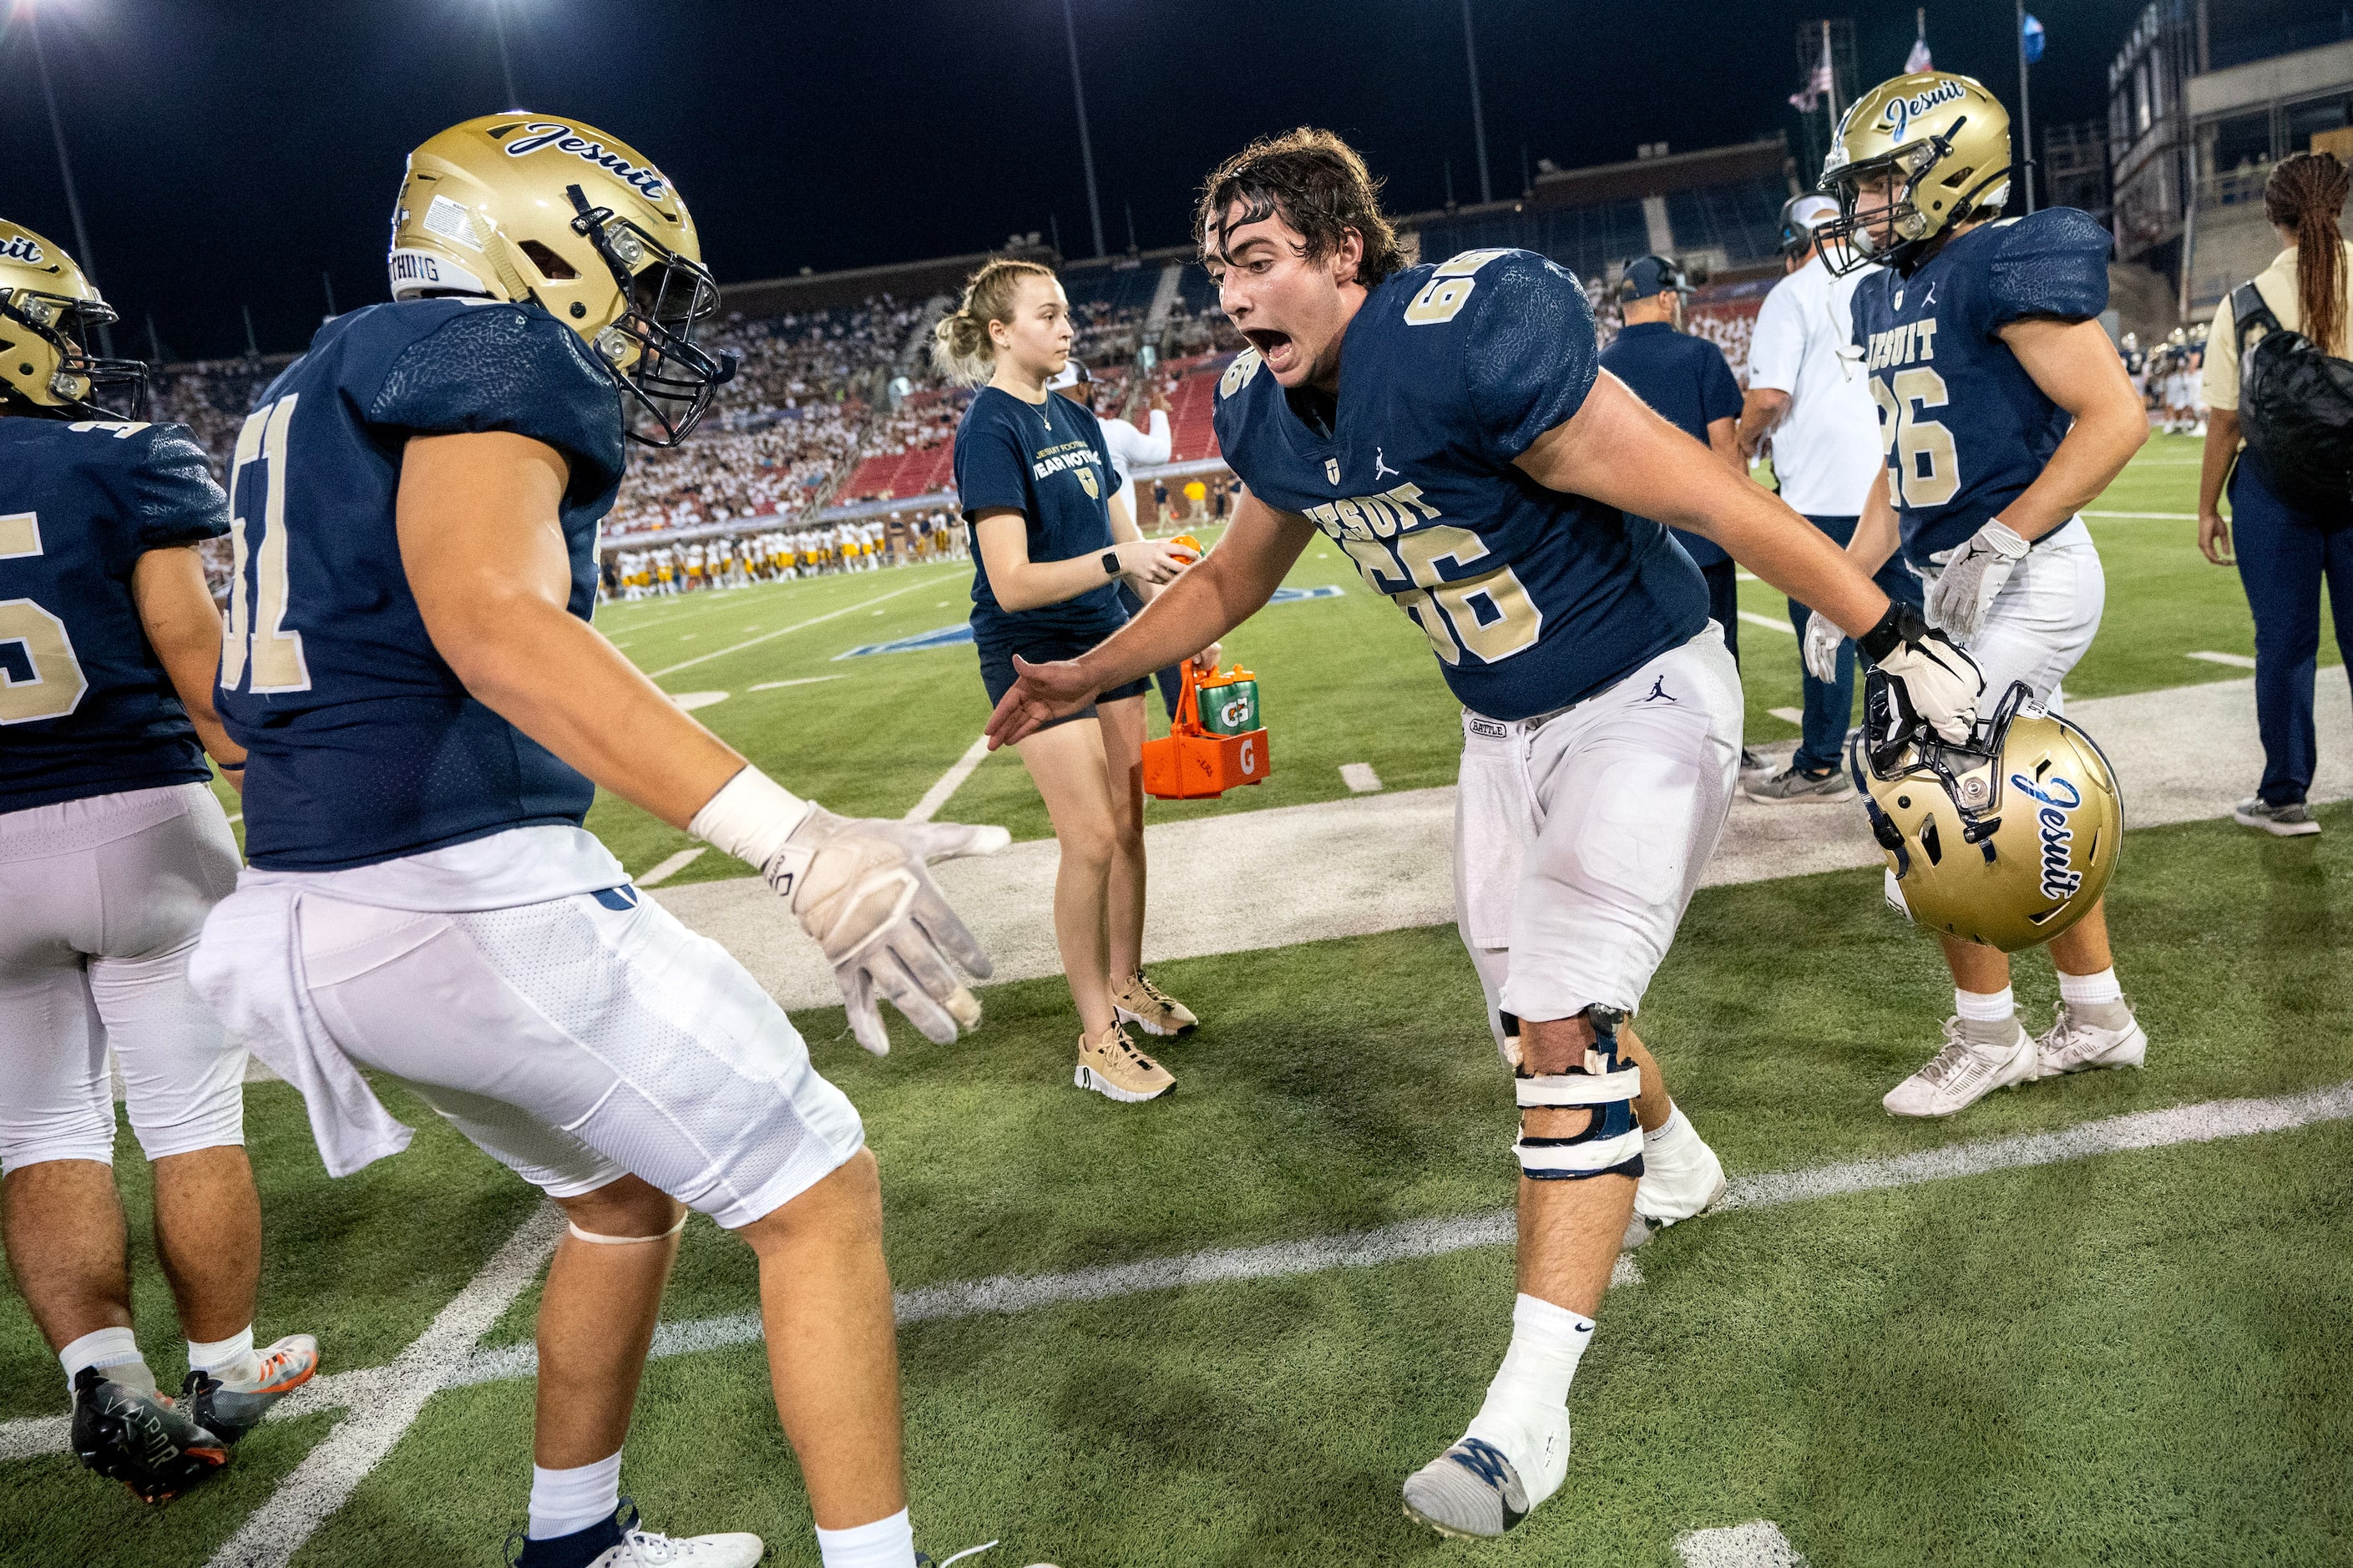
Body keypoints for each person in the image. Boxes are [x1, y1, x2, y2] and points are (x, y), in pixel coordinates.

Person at [984, 127, 1981, 1538]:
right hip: (1499, 733)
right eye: (1217, 274)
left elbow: (1706, 496)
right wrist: (1085, 671)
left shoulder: (1463, 336)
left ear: (1344, 252)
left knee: (1563, 1015)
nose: (1233, 298)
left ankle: (1523, 1417)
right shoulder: (1269, 411)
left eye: (1258, 261)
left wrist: (1889, 632)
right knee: (1534, 1024)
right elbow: (1226, 581)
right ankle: (1677, 1160)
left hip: (1636, 690)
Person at [189, 117, 1005, 1568]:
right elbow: (493, 619)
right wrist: (792, 839)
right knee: (819, 1192)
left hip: (306, 896)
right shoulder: (491, 353)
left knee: (620, 1204)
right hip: (455, 893)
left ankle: (573, 1542)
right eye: (642, 281)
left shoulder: (312, 382)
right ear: (539, 242)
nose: (650, 323)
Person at [0, 220, 319, 1505]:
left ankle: (108, 1385)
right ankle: (220, 1373)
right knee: (190, 1118)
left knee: (37, 1128)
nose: (83, 353)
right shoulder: (124, 458)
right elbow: (200, 669)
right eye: (62, 327)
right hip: (137, 817)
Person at [1812, 69, 2152, 1115]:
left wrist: (2004, 539)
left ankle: (1987, 1037)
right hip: (1950, 580)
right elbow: (1902, 459)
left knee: (1934, 803)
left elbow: (2116, 417)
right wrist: (1849, 580)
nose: (1861, 206)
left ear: (1947, 167)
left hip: (2029, 577)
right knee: (2025, 795)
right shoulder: (1883, 291)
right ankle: (2097, 1018)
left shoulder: (1999, 261)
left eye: (1879, 182)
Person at [941, 259, 1209, 1103]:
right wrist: (1116, 558)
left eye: (1066, 315)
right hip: (1035, 659)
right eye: (1048, 315)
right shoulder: (989, 428)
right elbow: (1014, 580)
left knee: (1128, 830)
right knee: (1089, 839)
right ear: (1000, 332)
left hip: (1106, 641)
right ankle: (1097, 1039)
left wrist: (1183, 628)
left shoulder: (1077, 419)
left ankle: (1127, 983)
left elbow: (1133, 556)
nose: (1067, 328)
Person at [1738, 195, 1922, 802]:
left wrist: (1742, 444)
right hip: (1891, 485)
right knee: (1900, 628)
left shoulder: (1792, 294)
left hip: (1821, 489)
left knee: (1825, 629)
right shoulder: (1890, 277)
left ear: (1797, 240)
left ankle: (1821, 764)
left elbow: (1769, 397)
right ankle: (1916, 751)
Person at [2198, 151, 2353, 837]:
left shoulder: (2243, 303)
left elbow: (2226, 421)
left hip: (2273, 492)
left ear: (2272, 217)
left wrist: (2206, 507)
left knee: (2285, 646)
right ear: (2341, 204)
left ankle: (2286, 796)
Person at [1596, 254, 1763, 773]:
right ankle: (1722, 755)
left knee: (1639, 659)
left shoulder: (1596, 366)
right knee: (1716, 650)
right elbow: (1726, 453)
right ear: (1667, 298)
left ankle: (1644, 755)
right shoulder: (1700, 355)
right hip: (1701, 535)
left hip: (1624, 540)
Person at [1049, 359, 1185, 717]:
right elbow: (1160, 453)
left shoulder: (1035, 438)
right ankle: (1187, 726)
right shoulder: (1108, 431)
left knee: (1091, 678)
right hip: (1121, 565)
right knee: (1164, 645)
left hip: (1067, 576)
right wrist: (1158, 413)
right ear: (1083, 389)